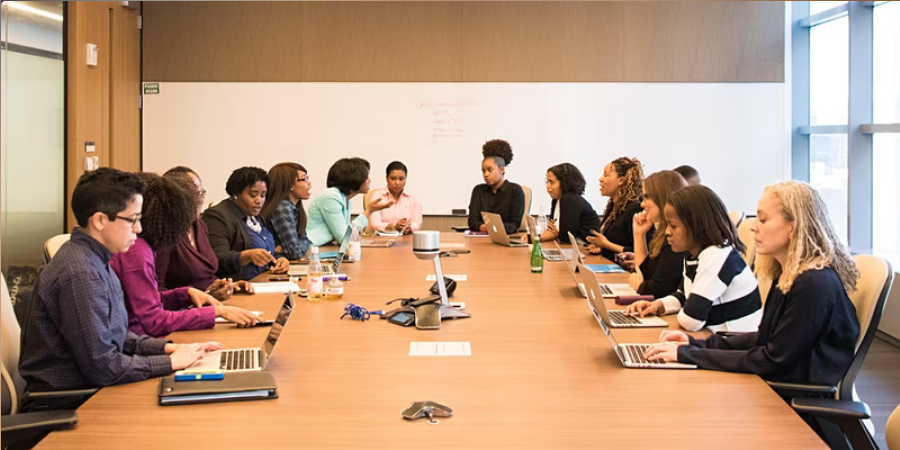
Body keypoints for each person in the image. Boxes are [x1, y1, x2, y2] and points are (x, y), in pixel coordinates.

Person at [18, 168, 221, 392]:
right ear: (100, 220)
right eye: (132, 220)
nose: (139, 229)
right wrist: (170, 363)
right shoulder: (80, 274)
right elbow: (104, 366)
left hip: (93, 389)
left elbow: (118, 337)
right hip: (70, 401)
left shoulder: (96, 259)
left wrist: (171, 349)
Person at [642, 181, 859, 387]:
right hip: (774, 384)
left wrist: (689, 354)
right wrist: (694, 344)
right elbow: (765, 339)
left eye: (763, 220)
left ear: (793, 226)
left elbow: (772, 359)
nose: (754, 226)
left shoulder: (813, 284)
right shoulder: (789, 274)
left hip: (789, 402)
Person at [111, 173, 260, 338]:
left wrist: (186, 294)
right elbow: (153, 320)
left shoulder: (143, 246)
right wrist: (217, 312)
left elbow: (147, 299)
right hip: (142, 340)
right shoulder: (137, 252)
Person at [626, 185, 762, 332]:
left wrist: (685, 311)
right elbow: (683, 295)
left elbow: (691, 320)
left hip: (734, 345)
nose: (667, 232)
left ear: (697, 226)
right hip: (715, 340)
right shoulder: (694, 255)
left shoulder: (715, 258)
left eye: (673, 226)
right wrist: (659, 305)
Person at [156, 167, 254, 300]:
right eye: (192, 194)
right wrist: (198, 297)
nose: (199, 200)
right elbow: (157, 291)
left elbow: (205, 274)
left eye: (201, 193)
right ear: (174, 197)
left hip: (209, 305)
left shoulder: (199, 225)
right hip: (183, 313)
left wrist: (226, 286)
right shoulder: (165, 233)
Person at [202, 167, 290, 281]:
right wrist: (246, 256)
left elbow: (266, 250)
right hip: (237, 286)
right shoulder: (217, 216)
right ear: (235, 194)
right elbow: (217, 259)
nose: (259, 200)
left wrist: (279, 259)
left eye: (263, 195)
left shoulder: (256, 216)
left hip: (264, 280)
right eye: (253, 195)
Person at [628, 170, 689, 298]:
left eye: (646, 198)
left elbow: (657, 290)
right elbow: (645, 274)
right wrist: (639, 235)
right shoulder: (662, 233)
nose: (642, 204)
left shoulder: (677, 237)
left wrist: (640, 286)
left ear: (662, 197)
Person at [306, 157, 394, 246]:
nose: (369, 181)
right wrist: (369, 211)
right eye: (366, 177)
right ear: (355, 178)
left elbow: (348, 233)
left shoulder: (346, 198)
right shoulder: (331, 197)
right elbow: (344, 238)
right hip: (312, 249)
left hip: (326, 247)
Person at [586, 157, 643, 261]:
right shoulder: (613, 205)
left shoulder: (634, 208)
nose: (601, 179)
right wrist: (601, 247)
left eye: (606, 175)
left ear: (621, 180)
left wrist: (606, 245)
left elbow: (639, 251)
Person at [467, 139, 526, 234]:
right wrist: (484, 227)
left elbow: (514, 224)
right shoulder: (478, 190)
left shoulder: (515, 191)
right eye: (483, 171)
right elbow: (472, 221)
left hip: (506, 238)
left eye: (490, 170)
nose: (486, 174)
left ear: (502, 169)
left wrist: (492, 227)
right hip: (481, 239)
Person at [261, 162, 312, 260]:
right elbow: (295, 253)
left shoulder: (294, 207)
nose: (309, 183)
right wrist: (298, 245)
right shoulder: (282, 208)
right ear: (290, 185)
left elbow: (305, 240)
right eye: (304, 179)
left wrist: (286, 248)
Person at [539, 162, 600, 243]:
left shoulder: (569, 199)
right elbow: (551, 231)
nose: (547, 186)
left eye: (552, 182)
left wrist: (556, 234)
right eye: (547, 181)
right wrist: (533, 238)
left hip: (585, 247)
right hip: (572, 247)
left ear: (564, 183)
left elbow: (566, 238)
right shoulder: (556, 199)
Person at [368, 161, 423, 234]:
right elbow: (374, 224)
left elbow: (417, 223)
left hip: (406, 239)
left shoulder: (413, 198)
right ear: (386, 178)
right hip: (382, 239)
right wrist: (393, 227)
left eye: (401, 179)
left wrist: (409, 228)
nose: (397, 183)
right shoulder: (377, 196)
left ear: (405, 179)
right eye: (393, 179)